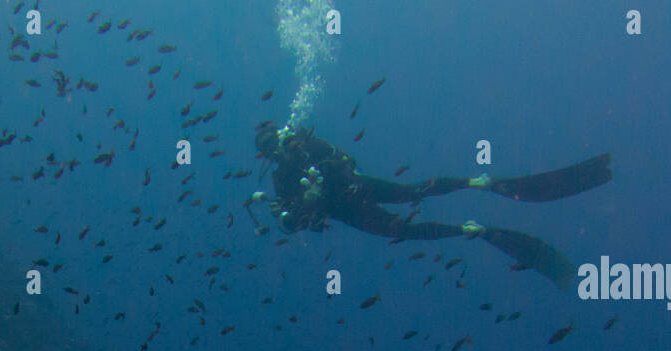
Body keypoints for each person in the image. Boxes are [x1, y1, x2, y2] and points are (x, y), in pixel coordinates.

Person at [251, 120, 612, 289]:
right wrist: (297, 215)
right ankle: (473, 230)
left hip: (357, 189)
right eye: (267, 150)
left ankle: (480, 183)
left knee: (413, 193)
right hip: (347, 212)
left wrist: (331, 171)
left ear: (282, 138)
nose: (275, 152)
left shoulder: (307, 144)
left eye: (274, 144)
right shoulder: (280, 181)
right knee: (402, 230)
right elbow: (290, 223)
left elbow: (346, 159)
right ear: (264, 155)